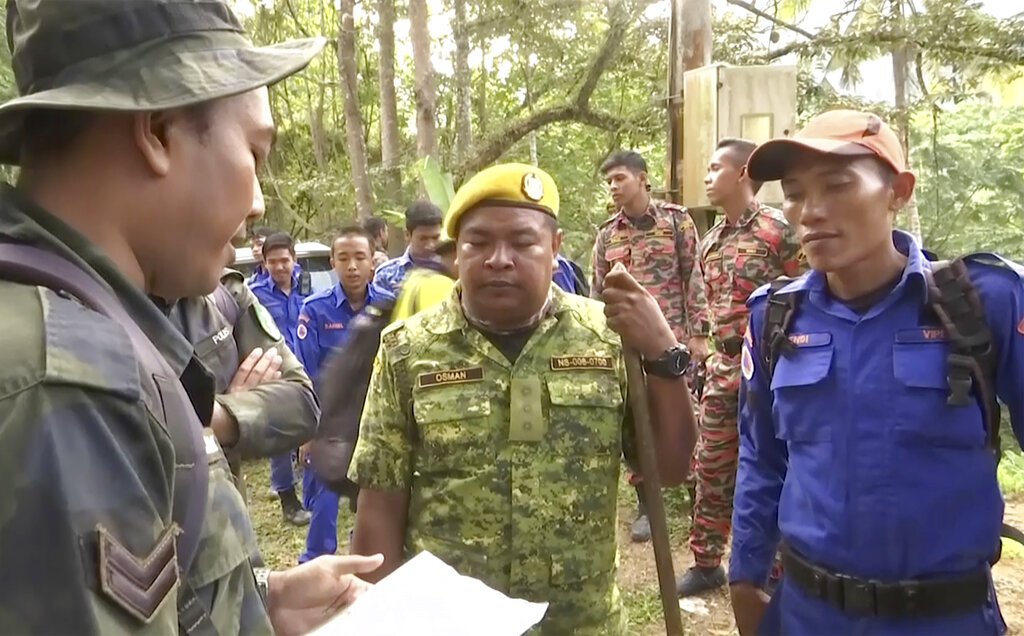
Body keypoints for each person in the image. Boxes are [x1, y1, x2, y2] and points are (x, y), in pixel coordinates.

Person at [0, 1, 383, 632]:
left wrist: (257, 603)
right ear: (156, 132)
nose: (260, 202)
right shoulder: (66, 383)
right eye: (256, 154)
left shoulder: (92, 330)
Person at [348, 162, 698, 634]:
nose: (499, 259)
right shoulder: (406, 351)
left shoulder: (608, 339)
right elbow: (380, 506)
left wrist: (662, 352)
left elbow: (671, 469)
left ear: (555, 248)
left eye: (521, 242)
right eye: (478, 243)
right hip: (452, 624)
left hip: (581, 623)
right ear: (456, 254)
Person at [730, 109, 1024, 635]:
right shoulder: (774, 317)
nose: (810, 211)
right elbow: (761, 455)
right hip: (807, 615)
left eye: (839, 185)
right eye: (794, 193)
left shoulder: (981, 303)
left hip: (946, 619)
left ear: (897, 192)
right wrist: (745, 575)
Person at [676, 138, 804, 597]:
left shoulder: (779, 230)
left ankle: (778, 562)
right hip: (725, 364)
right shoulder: (710, 242)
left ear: (743, 174)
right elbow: (707, 307)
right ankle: (706, 559)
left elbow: (808, 291)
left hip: (773, 367)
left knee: (776, 463)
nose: (707, 178)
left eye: (715, 168)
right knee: (710, 463)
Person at [591, 149, 709, 543]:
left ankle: (700, 507)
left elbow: (694, 276)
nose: (613, 187)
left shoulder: (676, 221)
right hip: (628, 350)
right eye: (608, 181)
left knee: (688, 418)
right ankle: (646, 505)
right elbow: (598, 291)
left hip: (672, 343)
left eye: (620, 178)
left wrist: (698, 334)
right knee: (636, 422)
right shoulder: (607, 233)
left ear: (642, 178)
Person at [296, 226, 395, 563]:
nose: (352, 266)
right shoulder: (316, 309)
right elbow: (305, 373)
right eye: (343, 258)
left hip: (376, 422)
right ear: (332, 263)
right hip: (331, 422)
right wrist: (307, 432)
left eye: (360, 258)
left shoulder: (388, 308)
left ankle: (365, 560)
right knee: (323, 494)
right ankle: (316, 561)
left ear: (373, 262)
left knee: (372, 497)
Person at [249, 231, 314, 526]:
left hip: (310, 364)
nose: (279, 268)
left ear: (294, 259)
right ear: (264, 263)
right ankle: (288, 499)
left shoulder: (310, 284)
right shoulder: (254, 293)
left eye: (284, 261)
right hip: (276, 370)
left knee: (317, 427)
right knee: (281, 437)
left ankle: (320, 487)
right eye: (272, 262)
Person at [372, 200, 443, 295]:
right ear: (407, 235)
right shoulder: (387, 274)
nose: (431, 245)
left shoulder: (451, 270)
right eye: (423, 238)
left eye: (435, 238)